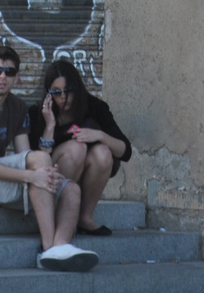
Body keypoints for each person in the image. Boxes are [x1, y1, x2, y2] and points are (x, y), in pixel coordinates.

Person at [0, 44, 98, 273]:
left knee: (71, 189)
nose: (2, 76)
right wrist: (33, 176)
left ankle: (61, 246)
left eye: (9, 72)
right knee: (40, 169)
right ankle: (48, 247)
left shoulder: (17, 107)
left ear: (16, 78)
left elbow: (26, 155)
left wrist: (50, 127)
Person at [28, 59, 131, 237]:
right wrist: (49, 126)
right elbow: (38, 158)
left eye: (68, 91)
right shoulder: (37, 113)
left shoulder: (95, 108)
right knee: (77, 148)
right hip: (51, 178)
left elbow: (125, 151)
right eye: (56, 92)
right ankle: (52, 212)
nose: (63, 97)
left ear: (77, 88)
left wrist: (99, 136)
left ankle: (84, 217)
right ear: (48, 92)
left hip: (84, 178)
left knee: (103, 152)